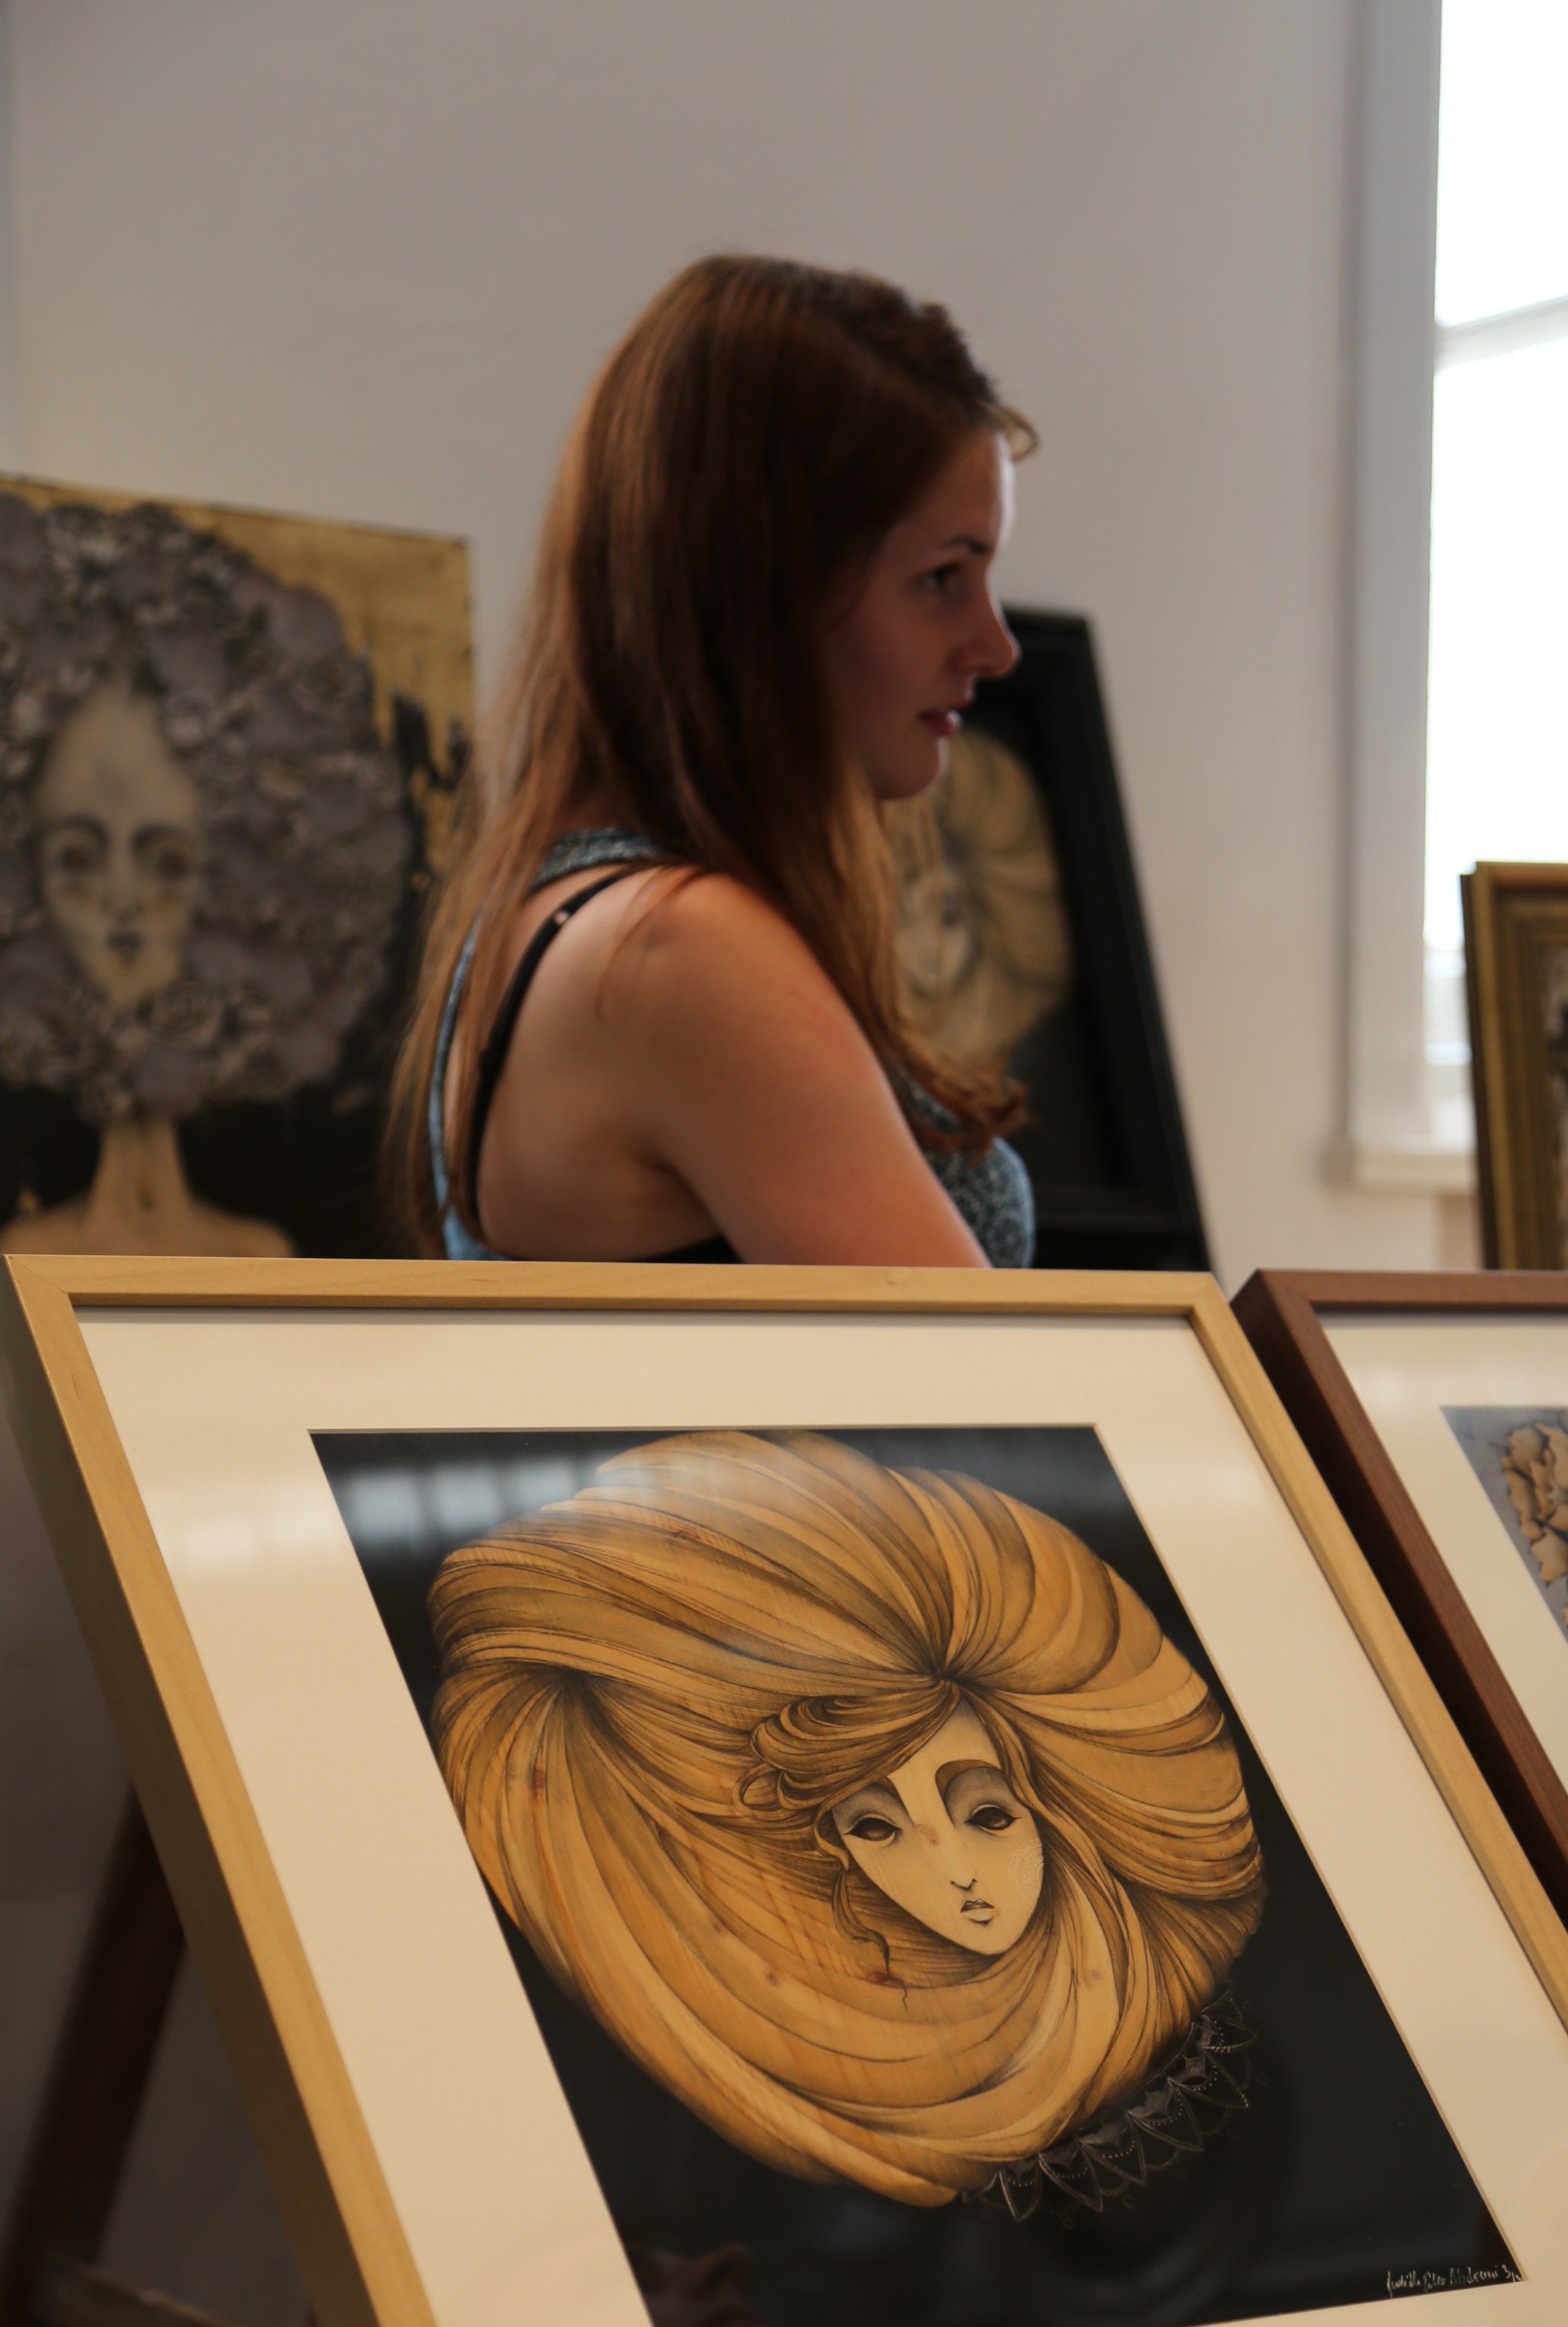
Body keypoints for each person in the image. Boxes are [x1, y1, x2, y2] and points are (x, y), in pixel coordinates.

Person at [388, 255, 1041, 1267]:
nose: (995, 648)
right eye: (941, 579)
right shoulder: (680, 947)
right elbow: (974, 1367)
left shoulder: (564, 914)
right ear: (762, 594)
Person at [429, 1429, 1267, 2208]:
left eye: (987, 1812)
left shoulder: (1145, 1977)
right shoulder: (852, 2065)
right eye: (876, 1829)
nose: (956, 1873)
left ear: (1051, 1807)